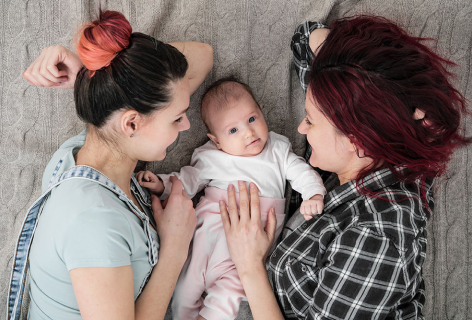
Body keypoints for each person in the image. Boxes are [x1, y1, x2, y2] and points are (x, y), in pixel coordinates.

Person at [218, 16, 470, 319]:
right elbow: (304, 39)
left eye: (310, 120)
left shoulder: (374, 240)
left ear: (355, 139)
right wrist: (358, 73)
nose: (300, 128)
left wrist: (249, 266)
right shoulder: (379, 147)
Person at [14, 9, 213, 320]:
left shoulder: (76, 152)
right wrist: (174, 250)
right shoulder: (94, 222)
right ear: (131, 124)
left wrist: (98, 75)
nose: (187, 126)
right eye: (176, 118)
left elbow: (203, 56)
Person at [136, 78, 326, 319]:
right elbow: (188, 181)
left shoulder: (277, 149)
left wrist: (313, 194)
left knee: (230, 294)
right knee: (183, 290)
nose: (248, 132)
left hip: (250, 246)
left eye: (252, 119)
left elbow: (301, 172)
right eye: (233, 130)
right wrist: (162, 185)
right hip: (206, 238)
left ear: (261, 112)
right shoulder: (210, 156)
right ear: (216, 140)